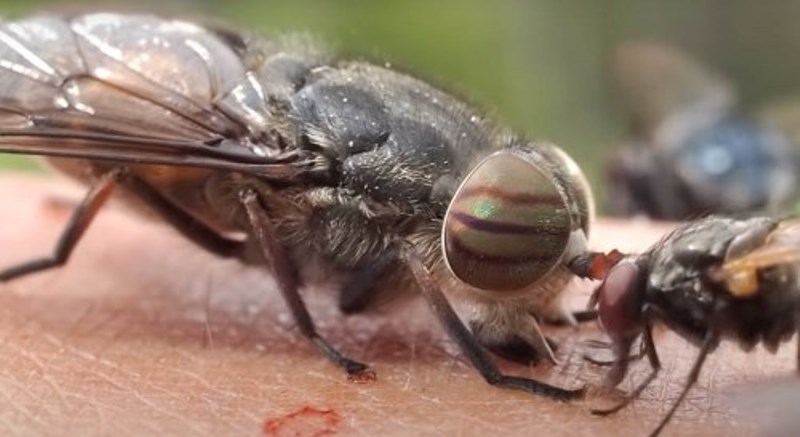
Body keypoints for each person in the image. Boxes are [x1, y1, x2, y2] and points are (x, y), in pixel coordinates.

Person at [0, 175, 788, 436]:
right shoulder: (411, 236)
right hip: (218, 145)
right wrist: (312, 339)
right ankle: (46, 254)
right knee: (204, 177)